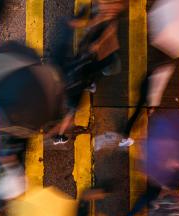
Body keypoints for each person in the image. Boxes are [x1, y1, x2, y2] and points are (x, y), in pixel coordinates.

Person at [51, 0, 126, 145]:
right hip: (79, 78)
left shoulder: (107, 19)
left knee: (71, 110)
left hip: (75, 77)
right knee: (71, 111)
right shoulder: (107, 21)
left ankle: (59, 134)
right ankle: (59, 134)